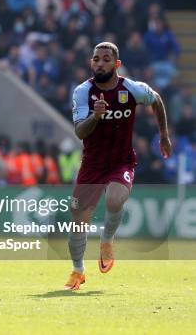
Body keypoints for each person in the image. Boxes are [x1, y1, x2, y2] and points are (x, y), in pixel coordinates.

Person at [64, 42, 172, 290]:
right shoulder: (82, 92)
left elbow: (156, 100)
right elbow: (80, 132)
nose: (99, 63)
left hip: (121, 160)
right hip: (92, 163)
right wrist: (96, 115)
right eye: (95, 59)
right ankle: (78, 271)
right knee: (78, 219)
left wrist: (164, 135)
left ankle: (107, 240)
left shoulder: (131, 89)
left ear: (116, 64)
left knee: (114, 200)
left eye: (105, 59)